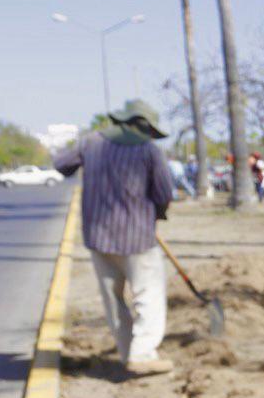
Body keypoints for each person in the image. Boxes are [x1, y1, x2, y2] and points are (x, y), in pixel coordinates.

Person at [54, 107, 177, 376]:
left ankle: (127, 353)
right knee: (148, 295)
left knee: (113, 299)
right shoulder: (148, 151)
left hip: (99, 239)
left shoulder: (91, 142)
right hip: (138, 239)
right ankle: (143, 354)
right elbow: (164, 193)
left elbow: (61, 164)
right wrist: (156, 214)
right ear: (143, 127)